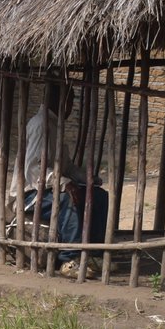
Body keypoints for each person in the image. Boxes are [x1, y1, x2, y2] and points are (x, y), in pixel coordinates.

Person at [20, 83, 110, 280]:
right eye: (70, 102)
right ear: (62, 102)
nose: (71, 107)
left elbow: (66, 167)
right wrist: (64, 183)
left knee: (98, 196)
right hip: (32, 193)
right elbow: (33, 170)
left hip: (50, 188)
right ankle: (69, 258)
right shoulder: (40, 125)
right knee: (67, 200)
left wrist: (86, 178)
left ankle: (93, 254)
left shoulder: (55, 126)